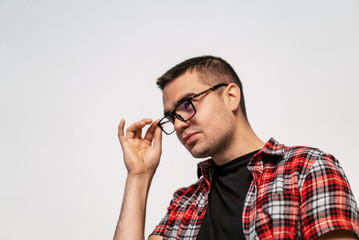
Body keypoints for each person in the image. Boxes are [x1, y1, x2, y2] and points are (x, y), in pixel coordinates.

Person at [113, 56, 359, 240]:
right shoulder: (185, 203)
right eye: (172, 117)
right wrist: (138, 176)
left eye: (187, 104)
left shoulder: (307, 169)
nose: (178, 124)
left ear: (230, 96)